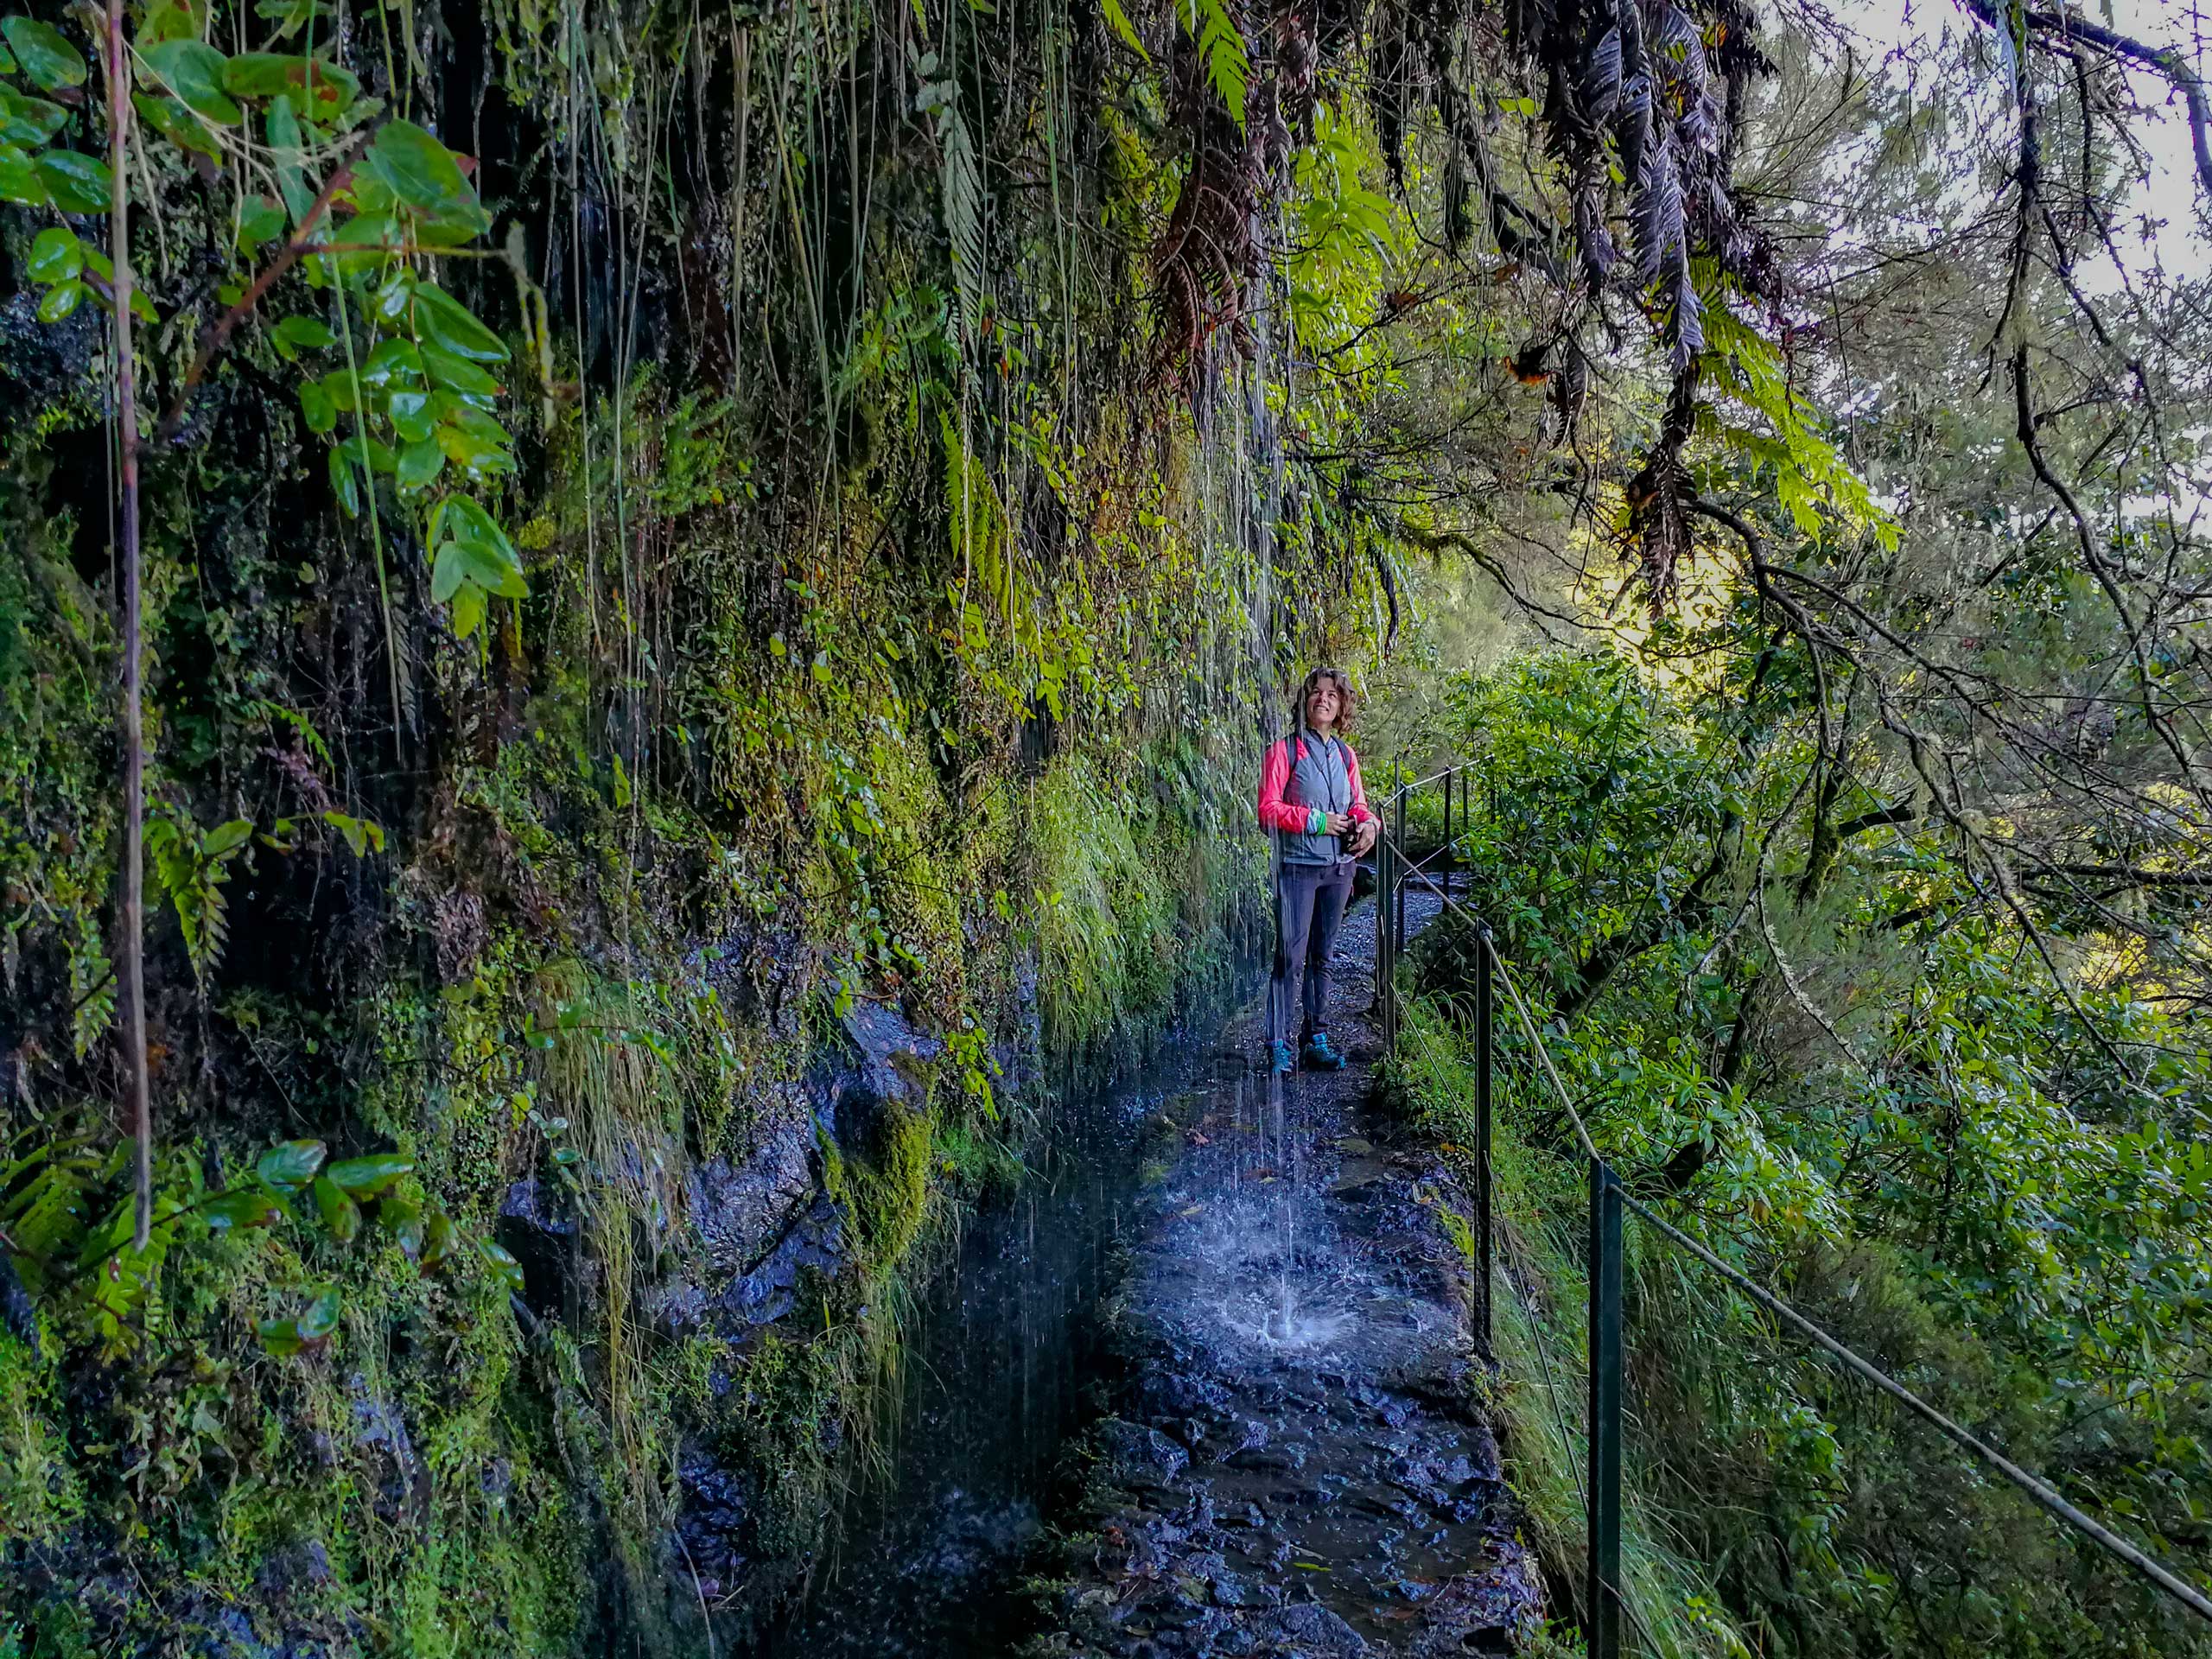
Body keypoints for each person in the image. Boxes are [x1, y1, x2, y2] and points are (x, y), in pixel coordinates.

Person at [1255, 667, 1378, 1074]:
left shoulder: (1346, 755)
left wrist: (1369, 825)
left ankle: (1315, 1039)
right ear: (1305, 701)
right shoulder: (1284, 751)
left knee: (1322, 957)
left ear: (1342, 705)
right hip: (1297, 868)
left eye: (1332, 694)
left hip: (1339, 869)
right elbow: (1267, 812)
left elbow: (1357, 804)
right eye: (1316, 693)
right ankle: (1277, 1044)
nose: (1323, 699)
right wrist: (1318, 822)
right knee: (1289, 958)